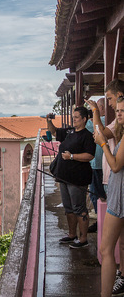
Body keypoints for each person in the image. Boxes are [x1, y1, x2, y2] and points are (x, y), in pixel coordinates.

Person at [80, 83, 124, 297]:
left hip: (120, 192)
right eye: (117, 109)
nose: (116, 112)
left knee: (106, 249)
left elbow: (116, 164)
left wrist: (104, 145)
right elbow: (101, 132)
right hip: (119, 190)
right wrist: (96, 112)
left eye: (120, 109)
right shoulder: (119, 128)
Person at [48, 105, 97, 249]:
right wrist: (49, 121)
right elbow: (54, 132)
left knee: (79, 208)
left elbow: (90, 155)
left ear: (84, 119)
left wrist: (72, 156)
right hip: (64, 177)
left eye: (76, 118)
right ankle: (71, 235)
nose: (73, 120)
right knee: (68, 208)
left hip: (77, 179)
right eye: (73, 117)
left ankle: (83, 239)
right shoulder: (69, 132)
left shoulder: (87, 136)